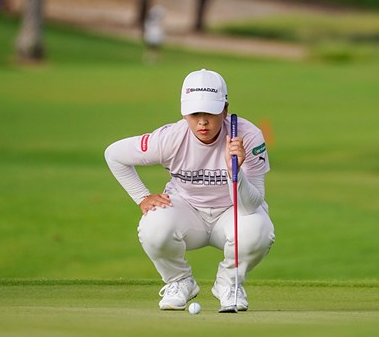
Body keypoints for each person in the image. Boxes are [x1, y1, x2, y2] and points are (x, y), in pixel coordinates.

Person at [104, 69, 275, 312]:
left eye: (210, 113)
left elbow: (252, 204)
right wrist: (142, 197)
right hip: (186, 210)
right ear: (184, 113)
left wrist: (233, 172)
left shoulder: (248, 136)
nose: (202, 122)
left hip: (231, 212)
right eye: (195, 114)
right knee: (153, 225)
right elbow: (114, 154)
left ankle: (229, 283)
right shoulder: (170, 138)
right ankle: (179, 282)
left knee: (259, 228)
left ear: (225, 110)